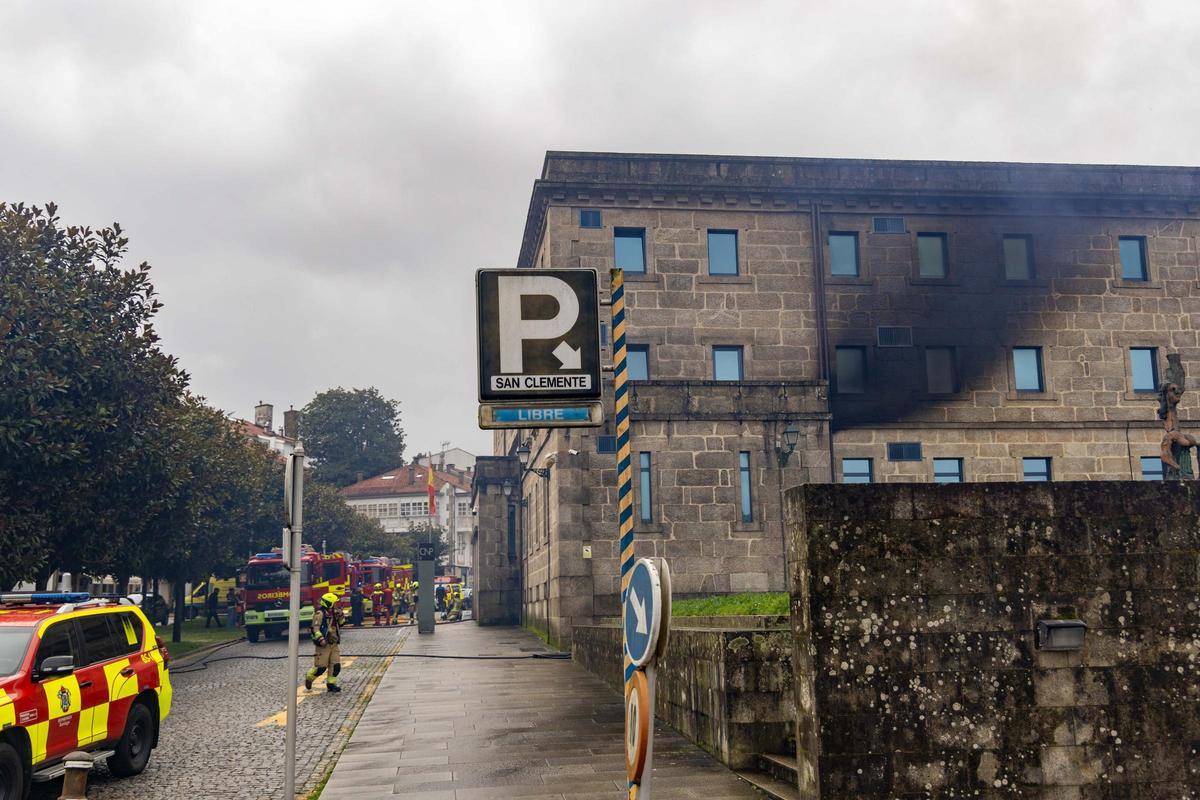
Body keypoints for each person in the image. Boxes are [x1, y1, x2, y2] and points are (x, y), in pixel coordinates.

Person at [305, 592, 344, 693]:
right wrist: (321, 639)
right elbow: (315, 629)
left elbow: (341, 624)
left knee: (335, 666)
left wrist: (340, 616)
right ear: (329, 604)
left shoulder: (334, 614)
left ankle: (331, 684)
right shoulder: (320, 614)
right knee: (321, 668)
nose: (336, 605)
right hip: (324, 644)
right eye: (334, 603)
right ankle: (309, 678)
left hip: (334, 643)